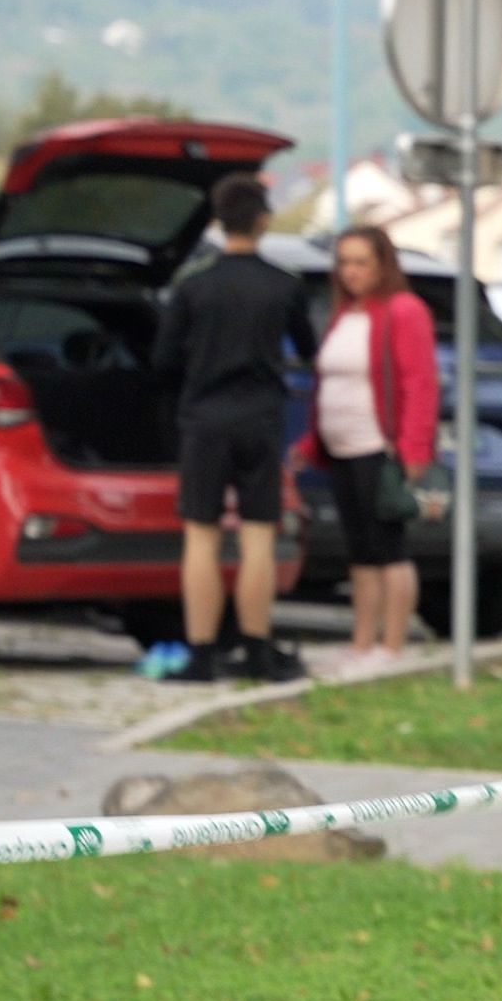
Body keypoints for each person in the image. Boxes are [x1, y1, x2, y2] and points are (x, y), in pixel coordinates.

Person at [150, 175, 315, 683]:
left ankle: (201, 655)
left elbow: (163, 362)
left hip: (204, 421)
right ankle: (258, 652)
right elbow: (309, 351)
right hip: (261, 420)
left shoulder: (192, 285)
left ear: (218, 223)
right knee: (258, 535)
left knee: (201, 536)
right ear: (263, 220)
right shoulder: (285, 285)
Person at [311, 226, 441, 670]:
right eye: (344, 262)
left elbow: (419, 382)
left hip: (378, 446)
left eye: (361, 263)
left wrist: (414, 447)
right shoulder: (344, 314)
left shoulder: (403, 310)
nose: (350, 272)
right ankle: (362, 642)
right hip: (341, 447)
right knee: (360, 550)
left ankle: (392, 646)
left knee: (388, 547)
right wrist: (311, 441)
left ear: (383, 265)